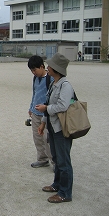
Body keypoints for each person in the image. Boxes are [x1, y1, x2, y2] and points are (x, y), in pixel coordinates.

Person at [35, 53, 74, 203]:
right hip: (53, 126)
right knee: (57, 158)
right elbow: (48, 104)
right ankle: (57, 184)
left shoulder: (65, 85)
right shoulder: (53, 83)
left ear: (56, 68)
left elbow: (62, 106)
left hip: (62, 128)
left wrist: (46, 108)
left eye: (50, 65)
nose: (47, 67)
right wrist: (43, 123)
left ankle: (65, 192)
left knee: (64, 161)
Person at [27, 55, 54, 169]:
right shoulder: (35, 78)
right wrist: (31, 107)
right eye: (31, 70)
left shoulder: (50, 78)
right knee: (37, 139)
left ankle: (55, 162)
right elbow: (35, 93)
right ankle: (42, 159)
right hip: (35, 113)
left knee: (48, 140)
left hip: (47, 114)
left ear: (42, 66)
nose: (33, 72)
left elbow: (53, 97)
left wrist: (46, 108)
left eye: (35, 69)